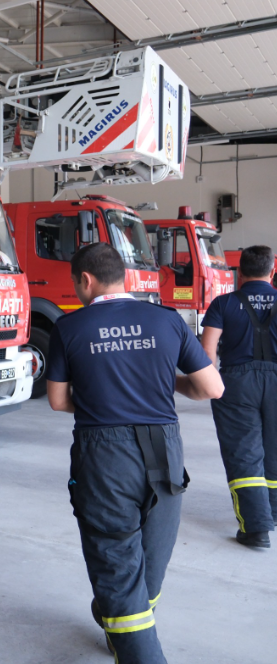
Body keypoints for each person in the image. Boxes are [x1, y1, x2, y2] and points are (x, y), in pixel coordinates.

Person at [46, 243, 224, 663]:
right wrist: (167, 385)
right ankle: (121, 620)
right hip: (164, 448)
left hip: (103, 455)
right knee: (153, 552)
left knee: (115, 561)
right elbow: (211, 388)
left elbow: (57, 400)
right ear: (122, 276)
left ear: (84, 280)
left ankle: (128, 629)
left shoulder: (69, 328)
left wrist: (100, 398)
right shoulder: (166, 320)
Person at [200, 244, 277, 549]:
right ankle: (271, 513)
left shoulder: (222, 304)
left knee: (244, 453)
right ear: (272, 271)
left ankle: (256, 528)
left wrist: (209, 385)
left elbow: (207, 353)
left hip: (235, 382)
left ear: (239, 272)